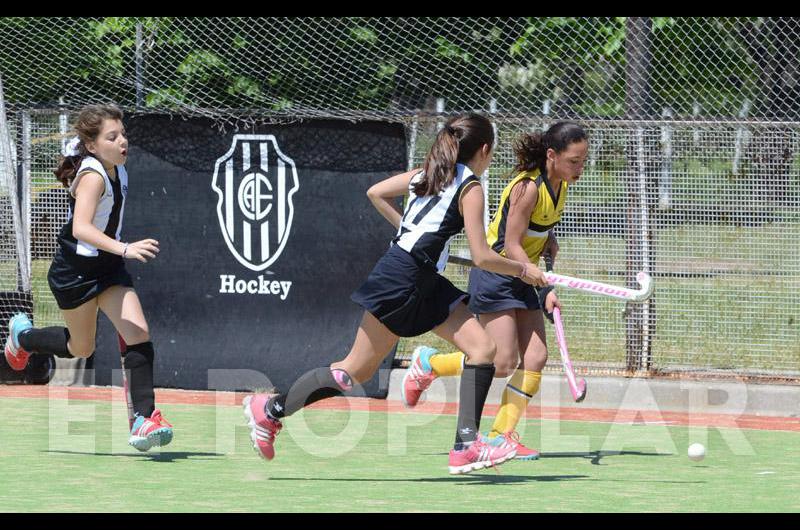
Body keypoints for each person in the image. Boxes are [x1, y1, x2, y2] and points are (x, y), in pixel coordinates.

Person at [243, 113, 545, 474]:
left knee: (481, 350)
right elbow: (482, 257)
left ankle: (465, 444)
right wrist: (523, 269)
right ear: (483, 150)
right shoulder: (472, 186)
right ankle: (270, 410)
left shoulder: (429, 172)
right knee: (350, 371)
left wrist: (410, 231)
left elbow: (377, 193)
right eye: (491, 152)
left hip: (410, 272)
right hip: (406, 278)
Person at [401, 121, 589, 460]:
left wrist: (548, 241)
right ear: (552, 155)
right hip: (499, 274)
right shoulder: (528, 187)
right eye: (574, 161)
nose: (580, 168)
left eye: (583, 161)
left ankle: (502, 435)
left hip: (525, 273)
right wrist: (542, 283)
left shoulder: (559, 185)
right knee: (502, 362)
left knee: (535, 357)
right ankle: (430, 363)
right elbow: (511, 243)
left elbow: (533, 229)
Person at [4, 104, 173, 452]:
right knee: (81, 347)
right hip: (75, 273)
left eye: (123, 134)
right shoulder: (94, 175)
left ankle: (143, 418)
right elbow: (81, 228)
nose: (122, 141)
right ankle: (23, 336)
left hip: (107, 268)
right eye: (112, 137)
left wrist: (118, 254)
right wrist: (125, 249)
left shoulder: (119, 170)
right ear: (93, 145)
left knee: (137, 330)